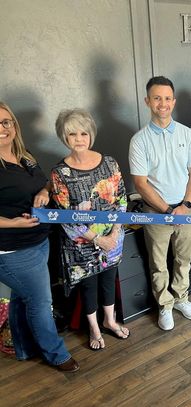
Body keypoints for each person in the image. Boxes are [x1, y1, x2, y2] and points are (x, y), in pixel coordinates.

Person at [0, 102, 79, 372]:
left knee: (24, 297)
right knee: (41, 303)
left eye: (6, 122)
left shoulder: (24, 155)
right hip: (13, 250)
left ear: (14, 125)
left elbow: (43, 181)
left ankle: (22, 348)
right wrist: (12, 223)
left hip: (39, 240)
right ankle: (55, 354)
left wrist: (45, 192)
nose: (2, 128)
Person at [51, 108, 129, 351]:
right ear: (64, 137)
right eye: (72, 134)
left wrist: (114, 234)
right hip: (82, 244)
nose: (79, 139)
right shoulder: (59, 173)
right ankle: (94, 328)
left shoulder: (109, 163)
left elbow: (122, 200)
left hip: (113, 237)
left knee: (108, 278)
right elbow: (66, 218)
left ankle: (110, 320)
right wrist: (97, 239)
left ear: (91, 135)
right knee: (89, 284)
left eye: (84, 133)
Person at [129, 76, 191, 331]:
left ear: (174, 101)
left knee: (184, 259)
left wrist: (186, 205)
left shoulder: (187, 133)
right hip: (157, 212)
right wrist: (169, 211)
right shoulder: (139, 140)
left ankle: (182, 298)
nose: (163, 103)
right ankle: (165, 305)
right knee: (158, 263)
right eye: (157, 98)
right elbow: (140, 183)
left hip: (186, 209)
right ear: (148, 101)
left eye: (167, 98)